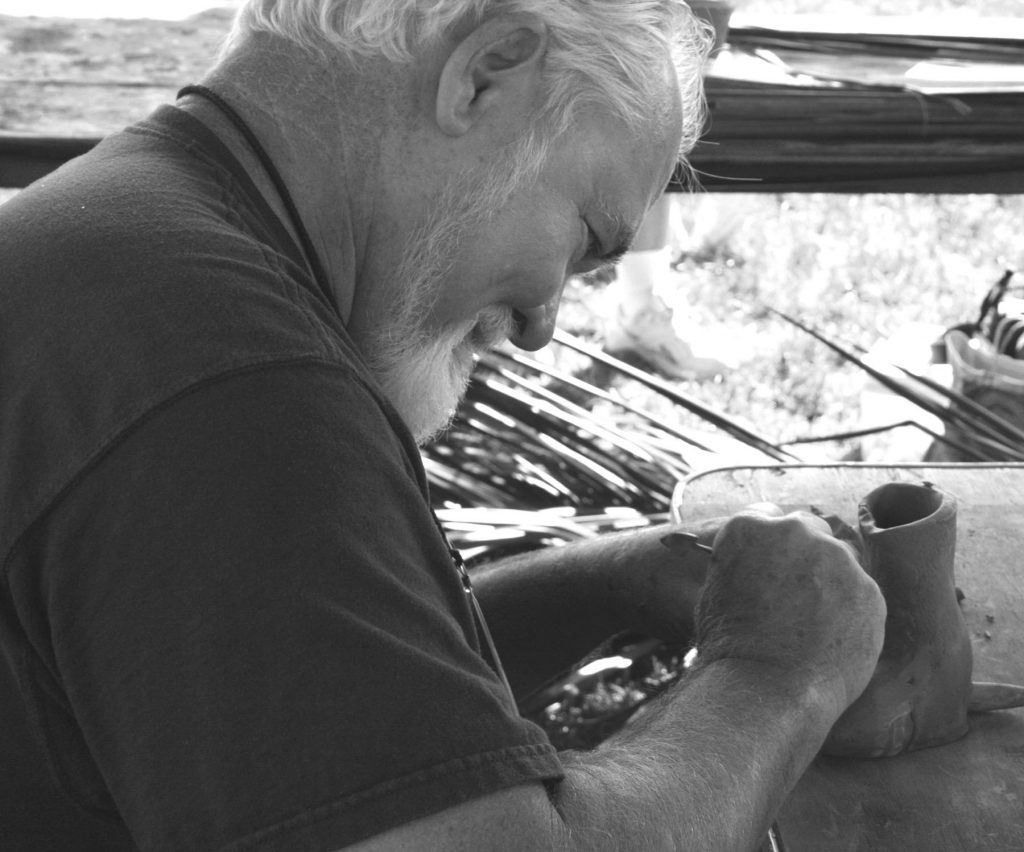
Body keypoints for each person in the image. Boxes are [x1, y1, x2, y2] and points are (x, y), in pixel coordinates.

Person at [0, 1, 886, 850]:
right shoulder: (228, 386)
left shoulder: (122, 237)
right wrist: (777, 672)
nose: (544, 324)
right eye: (583, 239)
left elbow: (323, 714)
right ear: (484, 74)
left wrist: (609, 581)